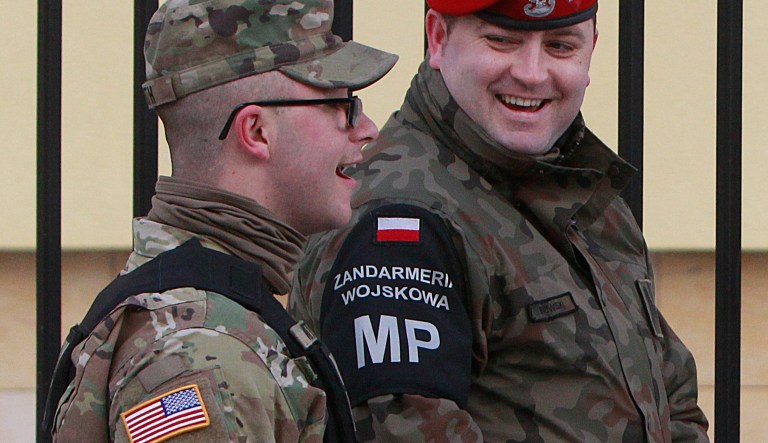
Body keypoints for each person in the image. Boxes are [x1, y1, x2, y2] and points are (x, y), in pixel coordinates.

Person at [289, 0, 710, 441]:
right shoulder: (400, 221)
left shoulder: (577, 189)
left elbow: (669, 396)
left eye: (560, 46)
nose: (531, 73)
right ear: (438, 38)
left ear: (591, 51)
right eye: (502, 41)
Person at [48, 0, 396, 441]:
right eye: (343, 105)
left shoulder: (210, 310)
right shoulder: (207, 353)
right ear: (256, 132)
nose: (368, 129)